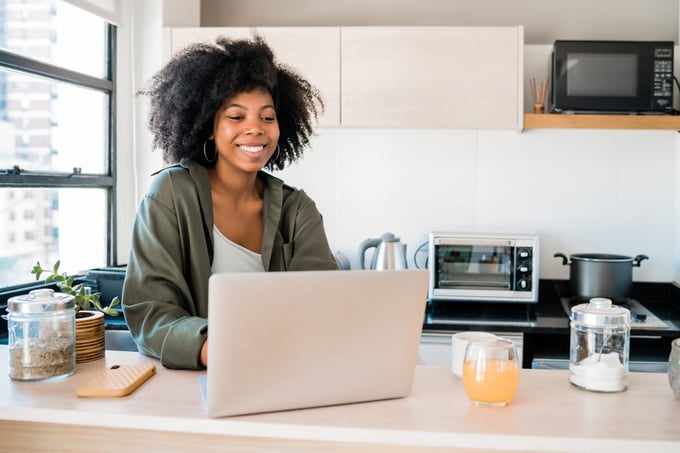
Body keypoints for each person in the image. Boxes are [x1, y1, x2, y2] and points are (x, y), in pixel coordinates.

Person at [122, 35, 338, 370]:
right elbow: (151, 311)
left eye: (267, 118)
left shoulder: (298, 211)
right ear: (208, 127)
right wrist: (213, 349)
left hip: (284, 371)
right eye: (236, 117)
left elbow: (323, 304)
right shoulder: (170, 194)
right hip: (199, 380)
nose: (255, 128)